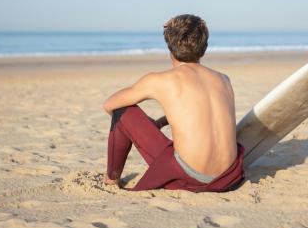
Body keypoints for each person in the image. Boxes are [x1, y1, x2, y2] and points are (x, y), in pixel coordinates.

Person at [102, 14, 245, 192]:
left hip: (191, 177)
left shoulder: (160, 80)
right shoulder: (223, 79)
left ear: (169, 45)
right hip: (228, 176)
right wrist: (160, 122)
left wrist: (139, 128)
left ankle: (111, 180)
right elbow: (199, 114)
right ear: (205, 47)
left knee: (121, 111)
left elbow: (109, 105)